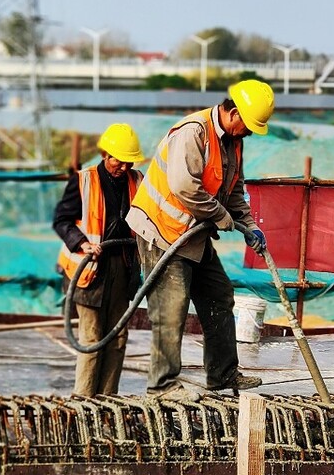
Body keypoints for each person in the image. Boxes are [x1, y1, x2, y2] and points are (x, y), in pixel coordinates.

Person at [125, 80, 274, 401]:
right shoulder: (193, 133)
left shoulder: (234, 141)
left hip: (193, 234)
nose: (249, 133)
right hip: (162, 231)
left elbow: (233, 190)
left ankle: (222, 374)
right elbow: (184, 187)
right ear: (232, 112)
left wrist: (249, 225)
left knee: (219, 295)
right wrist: (223, 218)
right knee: (171, 308)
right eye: (247, 125)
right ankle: (162, 386)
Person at [53, 123, 145, 396]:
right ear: (105, 154)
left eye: (129, 162)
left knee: (117, 338)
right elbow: (62, 221)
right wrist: (82, 243)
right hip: (89, 270)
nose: (124, 167)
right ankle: (84, 402)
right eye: (119, 160)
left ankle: (107, 401)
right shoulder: (83, 181)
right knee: (92, 338)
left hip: (123, 267)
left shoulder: (137, 181)